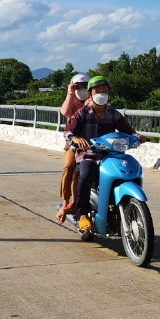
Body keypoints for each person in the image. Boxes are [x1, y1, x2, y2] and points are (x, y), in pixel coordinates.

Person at [64, 76, 147, 232]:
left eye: (105, 91)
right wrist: (75, 138)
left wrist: (137, 136)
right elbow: (68, 131)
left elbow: (128, 131)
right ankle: (82, 214)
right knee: (86, 174)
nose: (101, 94)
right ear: (90, 94)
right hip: (89, 155)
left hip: (111, 154)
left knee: (128, 168)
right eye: (97, 91)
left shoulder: (114, 114)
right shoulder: (82, 113)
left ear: (109, 94)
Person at [55, 74, 89, 222]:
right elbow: (65, 112)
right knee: (69, 167)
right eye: (78, 87)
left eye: (84, 87)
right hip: (73, 144)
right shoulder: (73, 103)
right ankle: (66, 202)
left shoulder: (92, 101)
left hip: (93, 143)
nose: (81, 90)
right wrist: (70, 92)